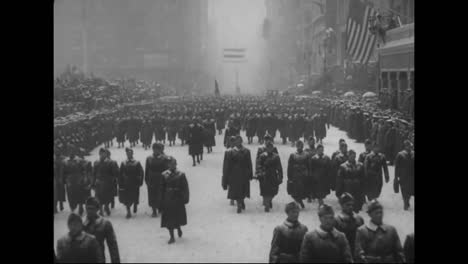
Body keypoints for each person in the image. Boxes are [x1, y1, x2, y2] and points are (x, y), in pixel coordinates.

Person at [160, 157, 190, 244]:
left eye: (173, 164)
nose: (172, 165)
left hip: (178, 198)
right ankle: (172, 236)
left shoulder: (181, 174)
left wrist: (185, 198)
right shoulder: (164, 175)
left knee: (177, 217)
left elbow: (185, 187)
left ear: (176, 165)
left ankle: (179, 228)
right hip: (168, 199)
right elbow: (161, 188)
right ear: (168, 165)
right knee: (169, 219)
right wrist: (161, 201)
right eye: (170, 164)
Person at [83, 197, 121, 263]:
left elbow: (112, 246)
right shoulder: (81, 223)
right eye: (87, 208)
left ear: (97, 209)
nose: (89, 211)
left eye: (92, 209)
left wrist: (115, 261)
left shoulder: (105, 224)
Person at [222, 135, 253, 213]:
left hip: (244, 174)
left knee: (243, 190)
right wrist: (225, 177)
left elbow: (249, 163)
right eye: (237, 141)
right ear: (234, 142)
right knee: (236, 190)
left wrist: (250, 174)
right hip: (233, 175)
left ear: (241, 142)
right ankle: (239, 203)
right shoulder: (229, 152)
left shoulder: (246, 151)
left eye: (240, 141)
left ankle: (241, 201)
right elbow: (226, 166)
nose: (238, 142)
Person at [255, 141, 283, 212]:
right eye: (268, 147)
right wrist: (259, 173)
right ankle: (267, 204)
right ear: (266, 148)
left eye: (271, 147)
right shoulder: (262, 156)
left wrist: (280, 177)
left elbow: (279, 168)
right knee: (265, 191)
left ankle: (269, 200)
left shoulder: (276, 156)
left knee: (273, 191)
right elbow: (258, 165)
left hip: (273, 175)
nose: (270, 149)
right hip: (264, 176)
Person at [334, 193, 364, 258]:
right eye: (347, 205)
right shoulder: (337, 221)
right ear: (342, 205)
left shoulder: (359, 219)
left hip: (357, 252)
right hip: (342, 253)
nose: (350, 207)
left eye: (352, 205)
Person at [146, 143, 170, 217]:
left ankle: (161, 208)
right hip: (152, 179)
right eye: (154, 149)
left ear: (160, 150)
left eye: (157, 149)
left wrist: (167, 180)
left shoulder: (164, 158)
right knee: (152, 195)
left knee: (161, 194)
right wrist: (146, 180)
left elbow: (167, 170)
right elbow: (147, 170)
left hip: (161, 178)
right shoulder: (149, 158)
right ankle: (154, 211)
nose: (156, 151)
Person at [92, 148, 119, 216]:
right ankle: (101, 210)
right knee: (98, 197)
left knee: (107, 197)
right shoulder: (96, 163)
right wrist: (92, 183)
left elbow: (115, 173)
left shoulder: (110, 162)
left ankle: (106, 206)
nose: (102, 155)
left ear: (106, 154)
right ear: (99, 154)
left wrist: (113, 179)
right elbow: (93, 174)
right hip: (98, 183)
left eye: (103, 154)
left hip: (108, 183)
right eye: (101, 154)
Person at [119, 148, 144, 218]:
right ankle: (128, 211)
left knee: (135, 196)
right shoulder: (123, 163)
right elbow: (120, 173)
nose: (129, 155)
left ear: (132, 154)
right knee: (127, 198)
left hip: (134, 182)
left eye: (130, 153)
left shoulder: (137, 162)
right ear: (126, 154)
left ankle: (135, 204)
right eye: (128, 154)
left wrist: (140, 181)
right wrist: (120, 183)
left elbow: (141, 172)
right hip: (126, 183)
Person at [62, 150, 87, 215]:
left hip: (78, 179)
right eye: (69, 151)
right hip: (69, 180)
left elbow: (84, 169)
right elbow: (63, 172)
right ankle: (72, 207)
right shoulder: (65, 161)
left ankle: (80, 206)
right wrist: (65, 180)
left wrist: (83, 177)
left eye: (72, 151)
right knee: (70, 195)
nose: (71, 153)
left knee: (80, 193)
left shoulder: (79, 160)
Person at [286, 140, 309, 209]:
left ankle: (300, 201)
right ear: (296, 146)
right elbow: (290, 166)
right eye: (298, 146)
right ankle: (298, 202)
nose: (299, 147)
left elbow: (308, 165)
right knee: (294, 191)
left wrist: (308, 174)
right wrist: (289, 176)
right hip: (295, 175)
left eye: (301, 146)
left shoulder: (306, 155)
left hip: (303, 175)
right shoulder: (293, 155)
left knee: (302, 190)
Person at [394, 140, 414, 210]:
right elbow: (397, 167)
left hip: (412, 177)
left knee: (410, 190)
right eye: (408, 146)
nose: (409, 147)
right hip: (403, 177)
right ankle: (405, 202)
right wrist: (396, 177)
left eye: (410, 146)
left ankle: (407, 201)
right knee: (404, 191)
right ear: (405, 146)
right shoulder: (400, 154)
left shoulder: (413, 154)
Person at [304, 136, 316, 203]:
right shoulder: (306, 150)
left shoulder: (316, 149)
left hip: (315, 168)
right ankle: (309, 196)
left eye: (313, 141)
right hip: (308, 168)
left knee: (314, 182)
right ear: (308, 143)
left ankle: (313, 194)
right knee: (308, 183)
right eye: (310, 141)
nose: (311, 143)